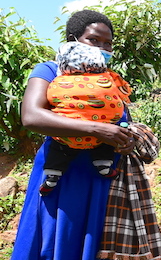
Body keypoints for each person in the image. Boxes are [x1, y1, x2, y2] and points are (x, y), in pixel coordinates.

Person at [1, 9, 161, 260]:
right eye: (96, 40)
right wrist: (101, 132)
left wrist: (125, 135)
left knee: (137, 244)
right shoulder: (49, 70)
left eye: (109, 43)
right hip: (66, 177)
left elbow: (117, 115)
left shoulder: (110, 78)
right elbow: (32, 116)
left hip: (112, 173)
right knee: (66, 249)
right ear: (74, 37)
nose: (104, 48)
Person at [40, 41, 132, 195]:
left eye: (108, 42)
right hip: (101, 139)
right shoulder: (108, 80)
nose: (101, 47)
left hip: (67, 136)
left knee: (58, 147)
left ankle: (53, 174)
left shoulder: (58, 81)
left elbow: (51, 99)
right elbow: (121, 101)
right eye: (94, 40)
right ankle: (103, 165)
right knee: (107, 137)